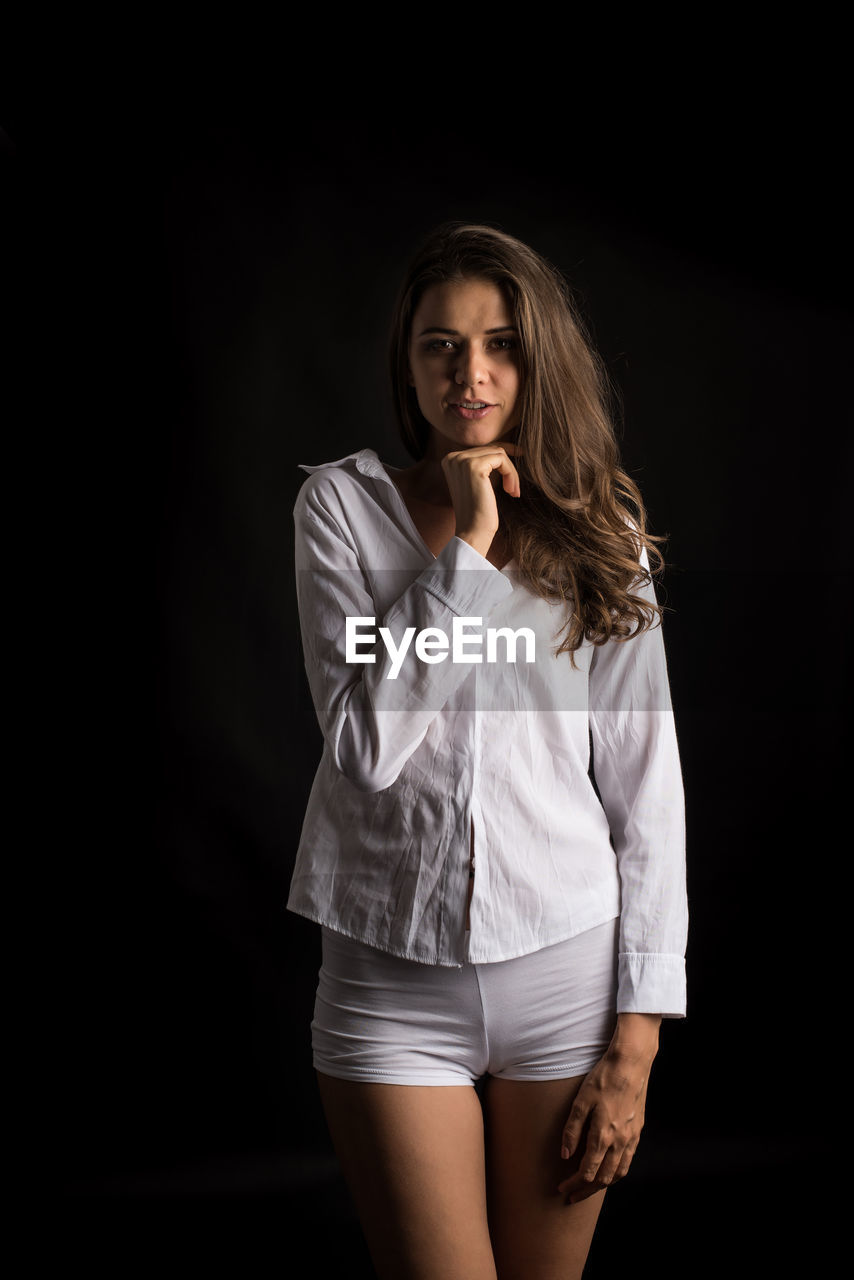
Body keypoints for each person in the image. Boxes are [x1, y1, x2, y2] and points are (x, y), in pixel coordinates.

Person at [288, 222, 687, 1279]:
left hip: (567, 972)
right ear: (405, 359)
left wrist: (636, 1043)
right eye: (439, 345)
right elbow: (366, 749)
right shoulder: (340, 510)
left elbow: (647, 797)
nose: (469, 372)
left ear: (533, 355)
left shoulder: (599, 531)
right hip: (387, 980)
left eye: (499, 343)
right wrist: (463, 545)